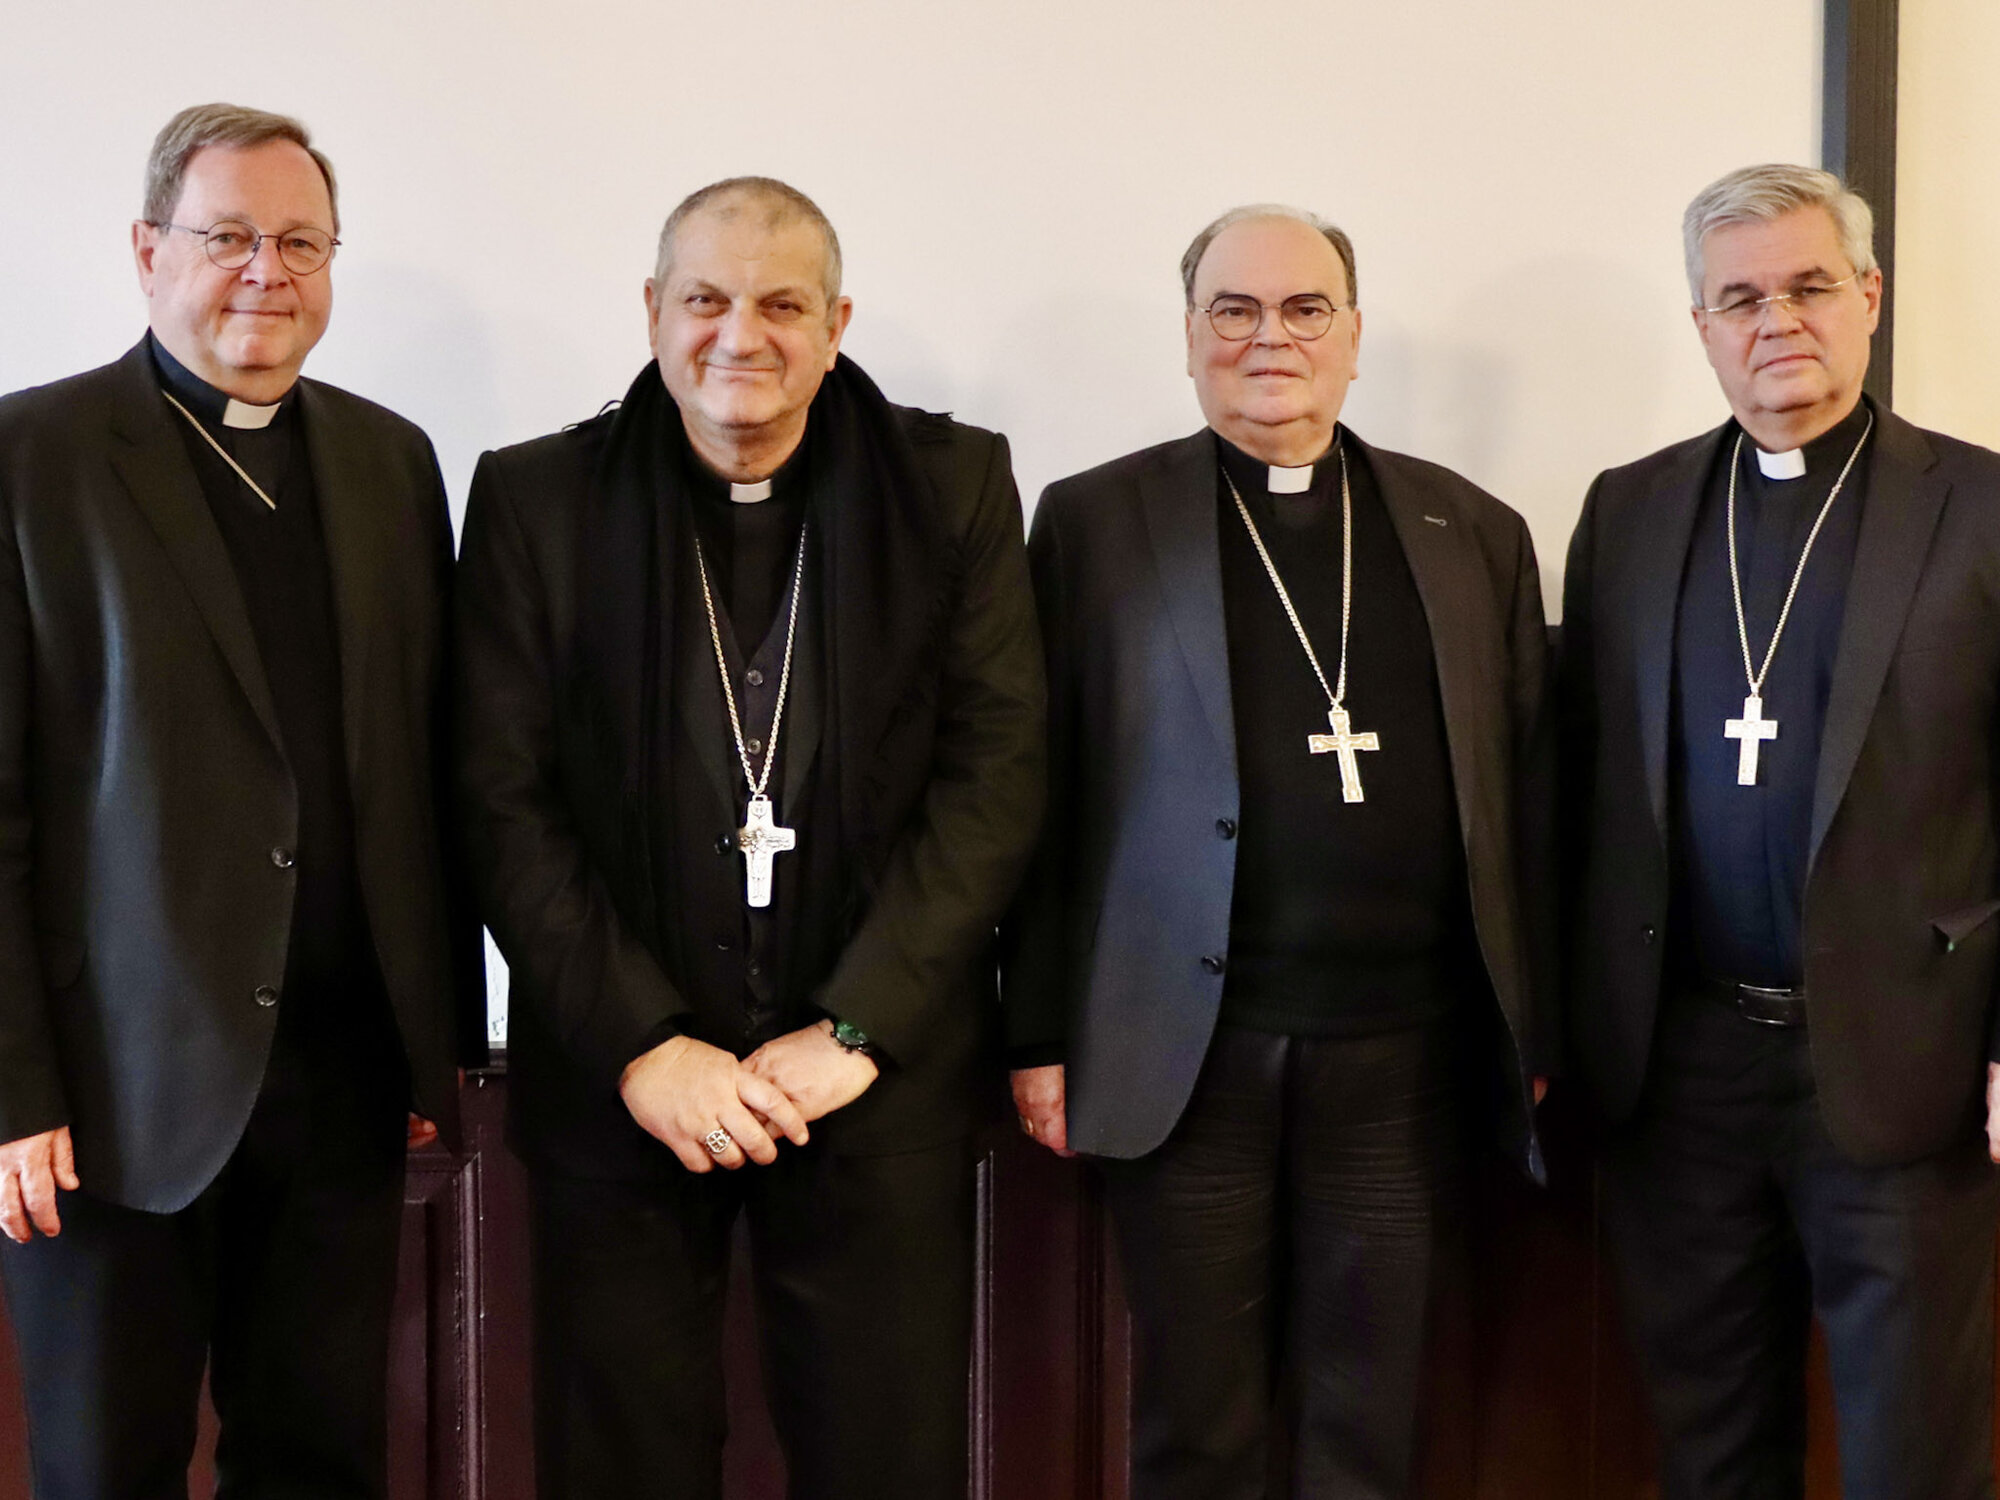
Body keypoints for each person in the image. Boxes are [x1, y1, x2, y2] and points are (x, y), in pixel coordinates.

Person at [456, 175, 1044, 1498]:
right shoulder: (535, 500)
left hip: (868, 1079)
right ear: (652, 313)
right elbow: (499, 798)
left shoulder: (952, 486)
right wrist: (641, 1043)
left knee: (885, 1458)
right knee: (621, 1457)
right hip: (625, 1090)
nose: (742, 335)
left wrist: (854, 1029)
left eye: (782, 304)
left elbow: (996, 780)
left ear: (838, 324)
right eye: (707, 298)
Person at [1004, 204, 1554, 1499]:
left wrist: (1534, 1032)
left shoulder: (1468, 528)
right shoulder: (1093, 524)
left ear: (1354, 335)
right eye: (1233, 311)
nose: (1271, 337)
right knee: (1198, 1424)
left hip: (1402, 1057)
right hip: (1187, 1052)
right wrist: (1034, 1032)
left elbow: (1532, 797)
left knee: (1371, 1417)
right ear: (1189, 340)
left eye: (1306, 308)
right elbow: (1034, 795)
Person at [0, 102, 483, 1497]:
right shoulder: (32, 463)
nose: (266, 271)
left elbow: (420, 769)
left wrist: (425, 1043)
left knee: (322, 1462)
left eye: (300, 241)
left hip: (336, 1088)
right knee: (109, 1470)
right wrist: (14, 1091)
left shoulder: (391, 463)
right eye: (227, 238)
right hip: (107, 1103)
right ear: (149, 251)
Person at [1562, 162, 2000, 1499]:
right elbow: (1576, 785)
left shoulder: (1982, 509)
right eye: (1739, 296)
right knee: (1709, 1450)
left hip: (1895, 1064)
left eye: (1810, 285)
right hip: (1681, 1065)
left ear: (1868, 297)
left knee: (1914, 1457)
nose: (1777, 320)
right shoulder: (1627, 511)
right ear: (1702, 325)